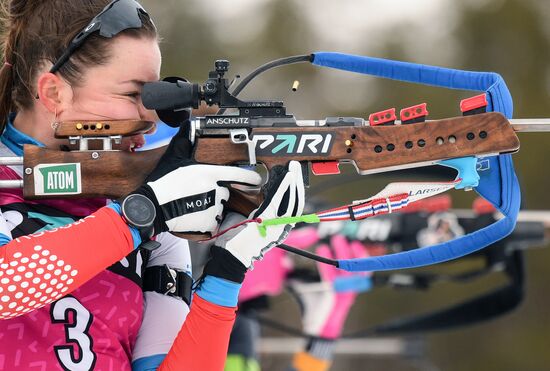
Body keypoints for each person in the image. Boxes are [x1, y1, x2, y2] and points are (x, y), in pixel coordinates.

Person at [0, 1, 304, 370]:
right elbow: (6, 286)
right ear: (54, 94)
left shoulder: (150, 211)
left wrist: (227, 270)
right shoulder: (144, 209)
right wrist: (138, 216)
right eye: (132, 95)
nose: (150, 118)